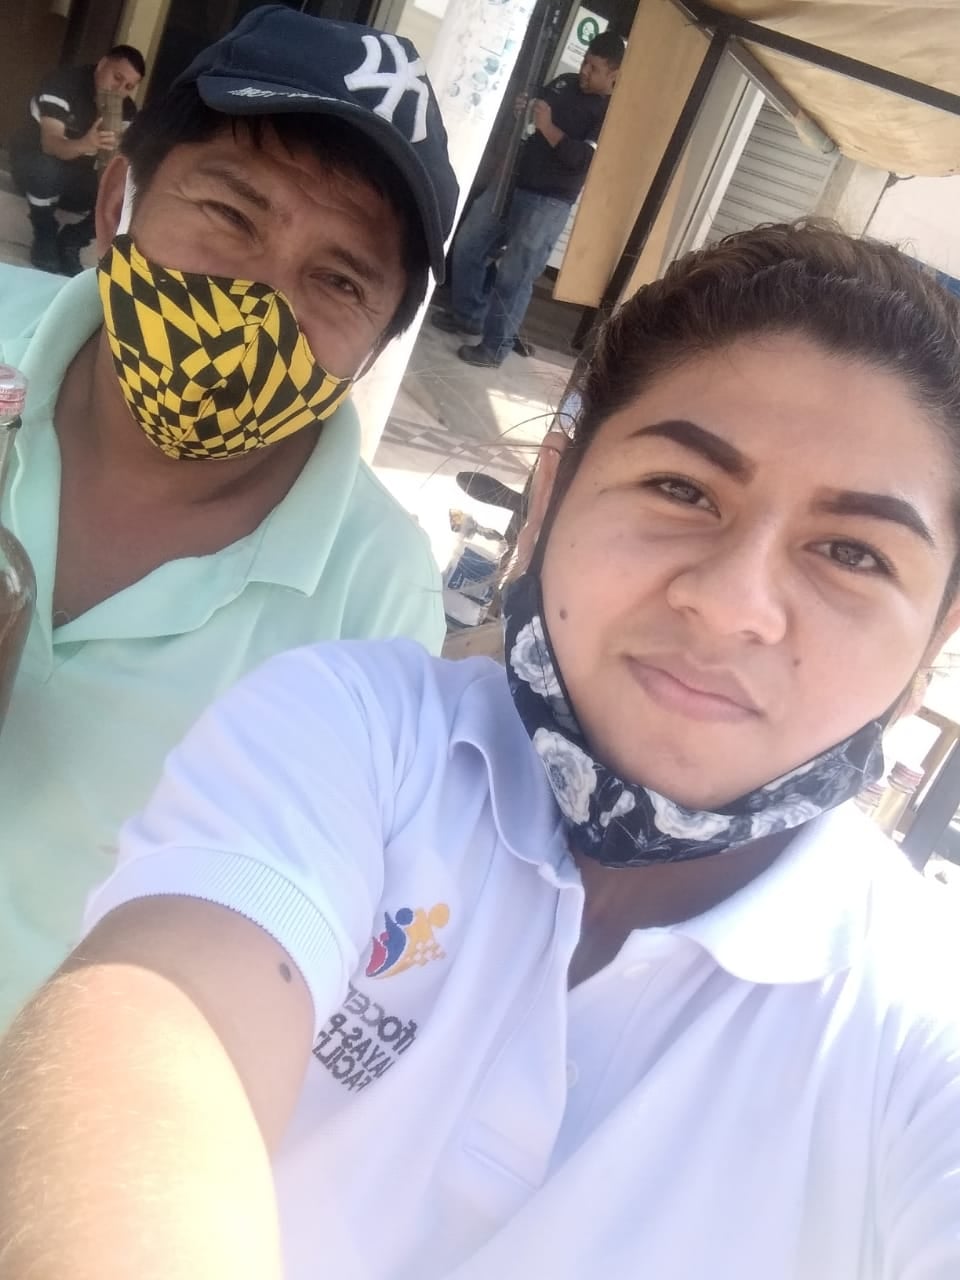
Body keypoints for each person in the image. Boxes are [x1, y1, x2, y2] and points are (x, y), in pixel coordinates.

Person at [6, 222, 960, 1280]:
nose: (734, 603)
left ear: (937, 634)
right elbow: (154, 1042)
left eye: (853, 553)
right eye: (682, 489)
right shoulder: (358, 734)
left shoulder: (918, 1024)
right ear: (551, 494)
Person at [0, 5, 458, 1030]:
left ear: (374, 347)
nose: (255, 302)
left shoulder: (375, 601)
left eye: (337, 278)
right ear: (118, 199)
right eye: (231, 214)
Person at [432, 31, 624, 368]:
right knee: (468, 245)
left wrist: (547, 126)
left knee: (514, 277)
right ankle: (468, 316)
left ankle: (494, 348)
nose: (584, 70)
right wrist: (523, 108)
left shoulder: (609, 112)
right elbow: (532, 113)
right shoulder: (564, 82)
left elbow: (581, 160)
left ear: (614, 75)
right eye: (584, 61)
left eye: (594, 68)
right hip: (511, 181)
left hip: (548, 202)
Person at [10, 44, 145, 276]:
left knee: (130, 190)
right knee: (46, 167)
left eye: (129, 87)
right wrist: (87, 143)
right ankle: (44, 232)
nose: (120, 89)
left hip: (77, 183)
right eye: (117, 77)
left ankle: (72, 240)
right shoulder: (63, 84)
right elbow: (51, 144)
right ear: (102, 64)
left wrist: (113, 161)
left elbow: (114, 174)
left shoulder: (127, 111)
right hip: (34, 173)